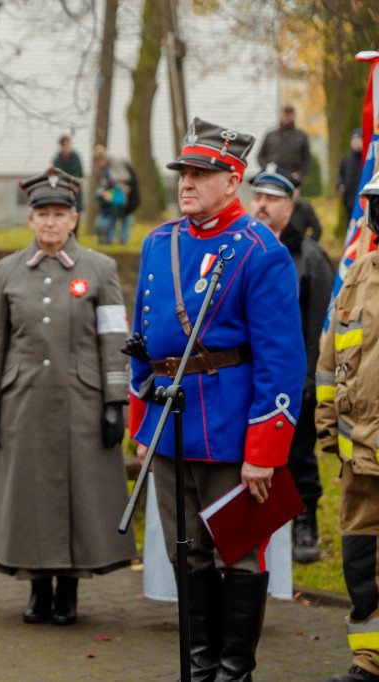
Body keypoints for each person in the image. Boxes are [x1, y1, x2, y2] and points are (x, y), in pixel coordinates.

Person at [128, 117, 305, 681]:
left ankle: (235, 670)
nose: (188, 183)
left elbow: (282, 359)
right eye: (184, 172)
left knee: (239, 552)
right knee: (187, 551)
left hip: (232, 430)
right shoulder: (160, 242)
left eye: (203, 173)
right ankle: (201, 667)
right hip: (166, 425)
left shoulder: (261, 251)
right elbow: (143, 341)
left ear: (233, 182)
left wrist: (266, 449)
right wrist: (141, 426)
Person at [0, 167, 136, 626]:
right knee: (29, 498)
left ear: (74, 219)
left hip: (81, 402)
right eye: (42, 213)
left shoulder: (100, 270)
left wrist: (114, 401)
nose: (50, 222)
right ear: (29, 220)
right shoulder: (7, 271)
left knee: (80, 496)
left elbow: (113, 338)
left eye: (59, 214)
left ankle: (69, 590)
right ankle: (36, 589)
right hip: (22, 401)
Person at [249, 165, 335, 564]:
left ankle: (305, 525)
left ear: (290, 204)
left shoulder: (311, 258)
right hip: (249, 380)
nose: (262, 205)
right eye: (258, 197)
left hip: (295, 383)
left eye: (272, 199)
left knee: (299, 458)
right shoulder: (243, 250)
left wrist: (307, 381)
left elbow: (319, 324)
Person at [316, 171, 379, 682]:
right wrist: (324, 428)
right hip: (359, 457)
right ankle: (369, 661)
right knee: (361, 566)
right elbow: (330, 358)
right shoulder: (358, 276)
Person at [92, 145, 140, 245]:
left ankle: (123, 239)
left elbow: (123, 177)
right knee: (115, 214)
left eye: (98, 163)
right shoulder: (105, 169)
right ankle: (111, 238)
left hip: (127, 191)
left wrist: (119, 188)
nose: (98, 166)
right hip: (117, 194)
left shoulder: (115, 162)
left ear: (102, 159)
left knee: (126, 215)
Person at [257, 104, 312, 182]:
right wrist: (267, 169)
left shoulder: (301, 136)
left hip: (292, 178)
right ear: (281, 115)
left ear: (294, 116)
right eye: (285, 114)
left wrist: (299, 174)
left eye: (289, 114)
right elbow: (261, 156)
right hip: (273, 177)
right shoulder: (270, 135)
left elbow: (307, 160)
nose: (287, 117)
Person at [338, 128, 365, 222]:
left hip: (363, 199)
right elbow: (341, 175)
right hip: (349, 200)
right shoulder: (346, 159)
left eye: (358, 139)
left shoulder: (367, 158)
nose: (356, 142)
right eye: (353, 140)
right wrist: (340, 185)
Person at [51, 134, 84, 210]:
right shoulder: (57, 160)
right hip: (62, 190)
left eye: (68, 144)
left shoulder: (75, 158)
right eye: (64, 145)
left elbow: (79, 173)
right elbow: (55, 174)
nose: (67, 147)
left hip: (75, 190)